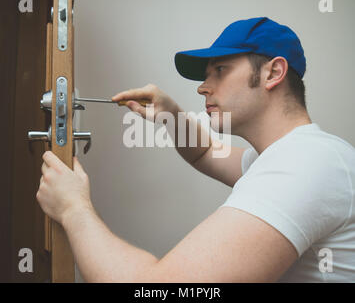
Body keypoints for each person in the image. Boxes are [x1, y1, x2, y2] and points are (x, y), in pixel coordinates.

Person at [37, 17, 355, 282]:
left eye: (220, 70)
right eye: (205, 76)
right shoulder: (293, 156)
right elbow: (206, 154)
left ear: (273, 73)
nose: (203, 87)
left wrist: (73, 208)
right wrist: (172, 116)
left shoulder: (304, 164)